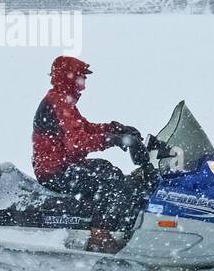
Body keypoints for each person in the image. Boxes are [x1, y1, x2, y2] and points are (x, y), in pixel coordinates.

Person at [32, 55, 151, 240]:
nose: (84, 85)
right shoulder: (58, 101)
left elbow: (85, 128)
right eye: (81, 78)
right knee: (110, 181)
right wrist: (114, 139)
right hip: (55, 171)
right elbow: (77, 143)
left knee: (108, 169)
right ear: (68, 77)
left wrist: (115, 128)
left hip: (61, 166)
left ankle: (110, 227)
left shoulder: (62, 100)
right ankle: (99, 237)